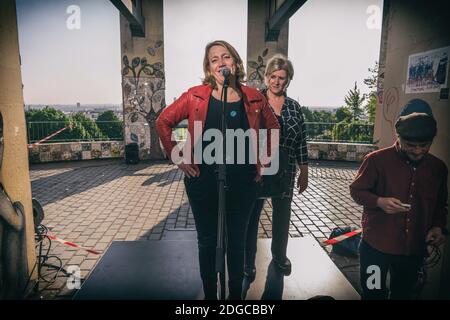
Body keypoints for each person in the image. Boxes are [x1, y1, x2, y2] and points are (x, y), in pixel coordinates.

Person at [156, 40, 280, 299]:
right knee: (207, 241)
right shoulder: (195, 95)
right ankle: (211, 297)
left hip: (244, 182)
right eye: (214, 59)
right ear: (209, 67)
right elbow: (163, 121)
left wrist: (264, 161)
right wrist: (176, 156)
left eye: (226, 57)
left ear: (235, 63)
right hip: (202, 182)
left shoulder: (254, 97)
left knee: (237, 242)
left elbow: (273, 128)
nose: (221, 62)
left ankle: (235, 298)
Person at [349, 99, 448, 300]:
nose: (418, 151)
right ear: (398, 137)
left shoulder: (438, 168)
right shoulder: (376, 160)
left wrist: (438, 227)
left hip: (413, 252)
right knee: (372, 293)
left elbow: (440, 205)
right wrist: (379, 202)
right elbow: (356, 191)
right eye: (411, 145)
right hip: (375, 249)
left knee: (403, 294)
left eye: (424, 145)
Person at [245, 54, 308, 280]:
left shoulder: (294, 107)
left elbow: (301, 139)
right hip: (259, 168)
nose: (277, 81)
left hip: (287, 169)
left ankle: (280, 257)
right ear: (266, 77)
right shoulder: (254, 102)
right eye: (273, 76)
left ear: (288, 80)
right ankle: (247, 261)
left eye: (282, 77)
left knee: (282, 216)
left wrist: (305, 170)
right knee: (252, 217)